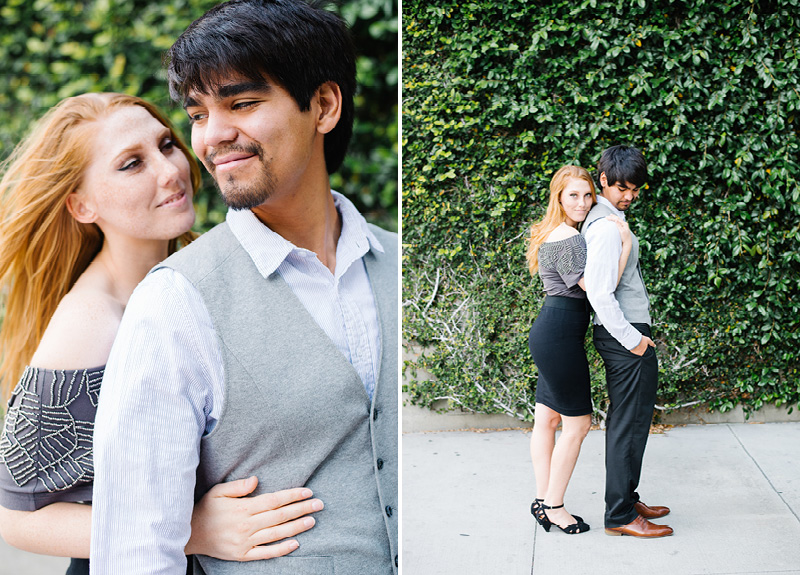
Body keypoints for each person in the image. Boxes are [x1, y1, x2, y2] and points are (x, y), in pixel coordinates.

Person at [90, 0, 398, 573]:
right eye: (199, 113)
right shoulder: (175, 301)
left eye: (242, 103)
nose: (212, 137)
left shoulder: (396, 260)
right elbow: (134, 546)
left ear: (324, 106)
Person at [0, 93, 323, 575]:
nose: (171, 171)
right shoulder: (91, 319)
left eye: (167, 144)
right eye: (132, 164)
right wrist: (195, 529)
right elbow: (16, 517)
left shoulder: (196, 275)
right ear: (82, 205)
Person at [526, 165, 630, 535]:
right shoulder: (568, 239)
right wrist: (627, 247)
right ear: (558, 197)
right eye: (574, 195)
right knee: (578, 424)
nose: (583, 203)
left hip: (553, 331)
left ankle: (543, 499)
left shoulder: (556, 232)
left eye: (588, 195)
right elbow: (601, 291)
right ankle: (554, 505)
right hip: (559, 336)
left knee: (547, 420)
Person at [581, 145, 673, 538]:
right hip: (623, 335)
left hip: (627, 333)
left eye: (635, 188)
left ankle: (627, 497)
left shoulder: (611, 218)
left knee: (633, 422)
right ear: (603, 180)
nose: (630, 195)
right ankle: (619, 514)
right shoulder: (604, 226)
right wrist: (634, 340)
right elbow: (599, 294)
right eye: (622, 187)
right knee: (628, 425)